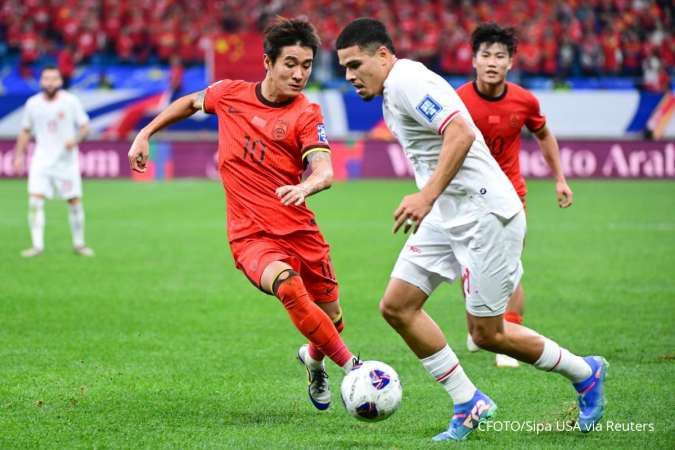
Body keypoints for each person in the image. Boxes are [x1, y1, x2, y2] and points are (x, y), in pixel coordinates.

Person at [335, 18, 606, 441]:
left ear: (383, 55)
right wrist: (433, 200)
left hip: (485, 214)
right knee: (397, 305)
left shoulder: (406, 81)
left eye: (355, 65)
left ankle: (585, 372)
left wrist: (425, 196)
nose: (350, 76)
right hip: (449, 212)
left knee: (487, 334)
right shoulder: (393, 89)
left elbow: (459, 132)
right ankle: (469, 401)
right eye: (344, 69)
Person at [127, 18, 358, 411]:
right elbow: (189, 102)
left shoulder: (307, 113)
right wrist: (145, 132)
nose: (299, 73)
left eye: (306, 65)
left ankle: (313, 360)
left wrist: (307, 185)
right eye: (290, 63)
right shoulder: (229, 94)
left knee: (332, 318)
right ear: (268, 62)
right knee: (287, 286)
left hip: (300, 231)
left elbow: (324, 167)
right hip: (250, 236)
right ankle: (354, 369)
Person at [456, 23, 574, 368]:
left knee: (509, 268)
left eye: (500, 56)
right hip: (467, 196)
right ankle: (480, 328)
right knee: (471, 263)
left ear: (511, 62)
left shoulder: (524, 101)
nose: (492, 62)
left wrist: (560, 179)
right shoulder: (458, 100)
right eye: (486, 55)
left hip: (508, 197)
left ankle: (509, 335)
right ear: (474, 60)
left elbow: (544, 135)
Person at [13, 66, 94, 257]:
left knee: (74, 201)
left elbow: (85, 127)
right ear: (41, 81)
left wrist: (75, 139)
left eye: (54, 79)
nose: (50, 83)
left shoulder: (70, 101)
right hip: (41, 160)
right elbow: (25, 130)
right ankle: (37, 246)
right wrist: (18, 155)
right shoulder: (32, 104)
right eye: (46, 79)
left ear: (60, 81)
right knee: (35, 201)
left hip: (66, 162)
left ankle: (79, 243)